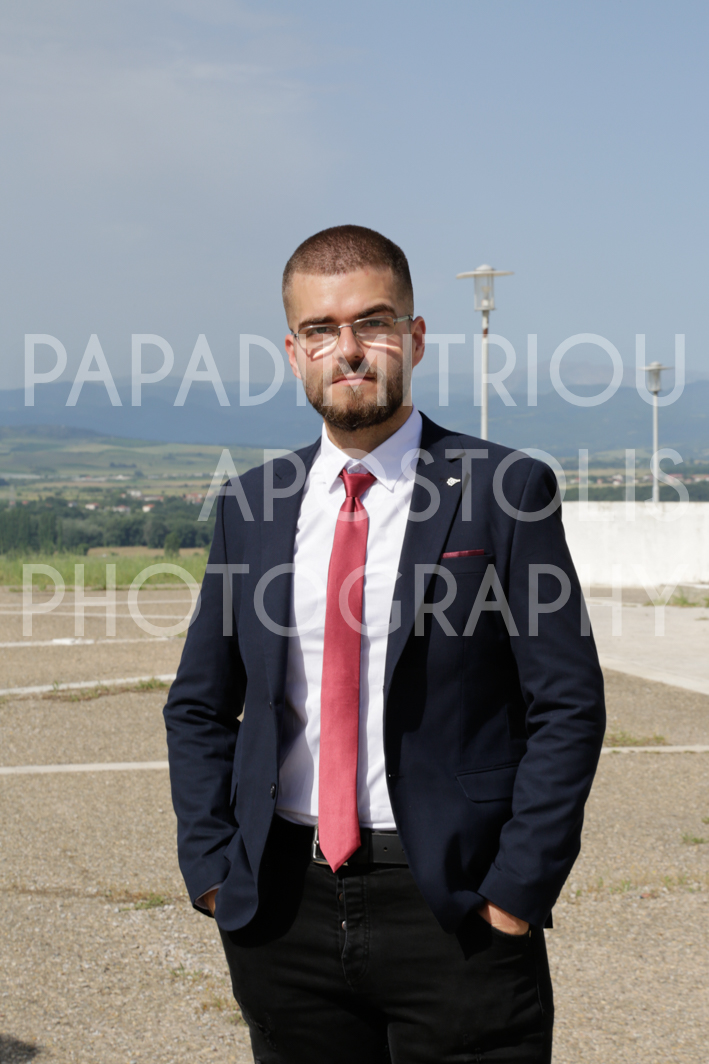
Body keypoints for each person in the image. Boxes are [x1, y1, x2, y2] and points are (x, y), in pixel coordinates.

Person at [163, 225, 605, 1064]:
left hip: (455, 909)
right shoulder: (252, 504)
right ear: (293, 352)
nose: (348, 349)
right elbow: (198, 704)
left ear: (414, 337)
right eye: (320, 329)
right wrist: (214, 868)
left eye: (372, 322)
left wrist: (516, 889)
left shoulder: (505, 489)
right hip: (280, 909)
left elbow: (567, 703)